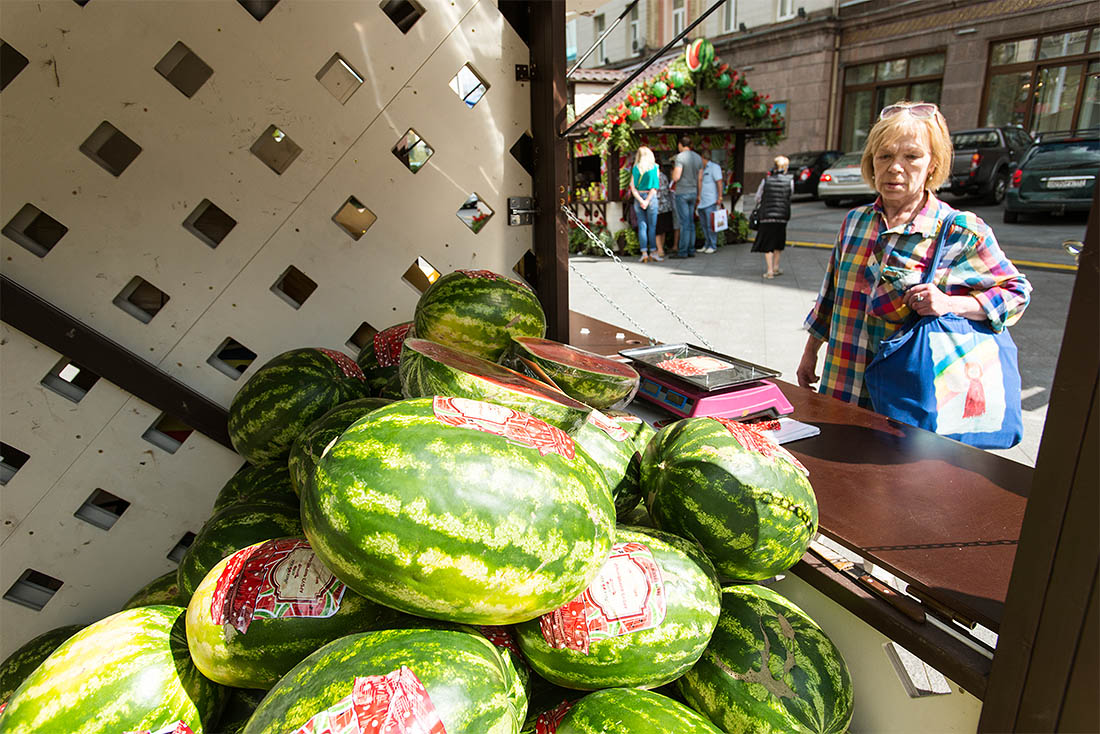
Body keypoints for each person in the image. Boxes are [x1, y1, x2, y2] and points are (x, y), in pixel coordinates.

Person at [796, 101, 1031, 410]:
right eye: (885, 156)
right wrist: (810, 350)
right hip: (840, 388)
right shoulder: (855, 222)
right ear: (872, 161)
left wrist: (951, 304)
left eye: (912, 156)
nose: (895, 167)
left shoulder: (961, 231)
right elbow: (830, 298)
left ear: (932, 163)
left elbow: (1017, 294)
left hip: (906, 404)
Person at [752, 155, 794, 278]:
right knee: (778, 242)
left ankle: (769, 270)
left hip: (767, 216)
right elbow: (790, 195)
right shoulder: (790, 181)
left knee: (767, 243)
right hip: (782, 216)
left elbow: (757, 198)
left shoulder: (766, 180)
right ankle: (776, 267)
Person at [670, 136, 703, 258]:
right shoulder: (698, 158)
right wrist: (699, 194)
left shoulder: (680, 157)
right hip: (693, 192)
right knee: (691, 222)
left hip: (682, 192)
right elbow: (700, 178)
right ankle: (691, 249)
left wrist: (673, 170)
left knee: (684, 223)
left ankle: (683, 251)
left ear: (680, 145)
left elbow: (676, 177)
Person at [629, 146, 660, 262]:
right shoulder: (655, 167)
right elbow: (655, 186)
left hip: (638, 198)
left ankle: (644, 253)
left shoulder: (636, 168)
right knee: (652, 227)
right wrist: (647, 201)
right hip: (650, 198)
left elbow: (632, 187)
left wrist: (640, 200)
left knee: (642, 226)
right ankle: (653, 252)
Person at [695, 148, 724, 254]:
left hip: (710, 200)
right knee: (703, 224)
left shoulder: (714, 167)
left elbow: (719, 183)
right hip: (701, 201)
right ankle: (707, 244)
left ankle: (713, 245)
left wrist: (719, 197)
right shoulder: (700, 169)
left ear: (703, 158)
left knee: (710, 224)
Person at [654, 164, 673, 260]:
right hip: (666, 205)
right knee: (663, 229)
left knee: (658, 229)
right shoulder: (664, 176)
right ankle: (662, 248)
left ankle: (660, 249)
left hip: (658, 206)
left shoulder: (654, 176)